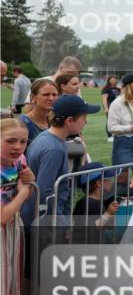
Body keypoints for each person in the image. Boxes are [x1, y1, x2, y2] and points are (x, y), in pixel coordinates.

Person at [23, 95, 99, 225]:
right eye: (84, 117)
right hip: (46, 223)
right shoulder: (54, 149)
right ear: (69, 120)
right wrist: (61, 223)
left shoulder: (47, 137)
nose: (86, 122)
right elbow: (45, 193)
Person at [1, 118, 35, 295]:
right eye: (10, 141)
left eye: (22, 141)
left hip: (13, 232)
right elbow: (2, 216)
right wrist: (24, 192)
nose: (17, 146)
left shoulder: (20, 161)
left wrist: (29, 182)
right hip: (4, 230)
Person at [107, 74, 133, 166]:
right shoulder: (117, 103)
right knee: (123, 177)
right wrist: (131, 128)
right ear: (130, 85)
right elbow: (111, 127)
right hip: (123, 143)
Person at [21, 79, 59, 144]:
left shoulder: (55, 120)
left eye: (54, 95)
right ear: (33, 98)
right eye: (46, 94)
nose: (51, 98)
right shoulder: (23, 123)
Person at [101, 76, 121, 141]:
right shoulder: (106, 89)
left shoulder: (118, 89)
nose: (113, 81)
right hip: (109, 106)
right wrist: (106, 108)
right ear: (109, 80)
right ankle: (109, 136)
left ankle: (115, 134)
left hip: (117, 107)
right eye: (111, 80)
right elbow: (104, 99)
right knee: (110, 121)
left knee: (117, 121)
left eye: (114, 80)